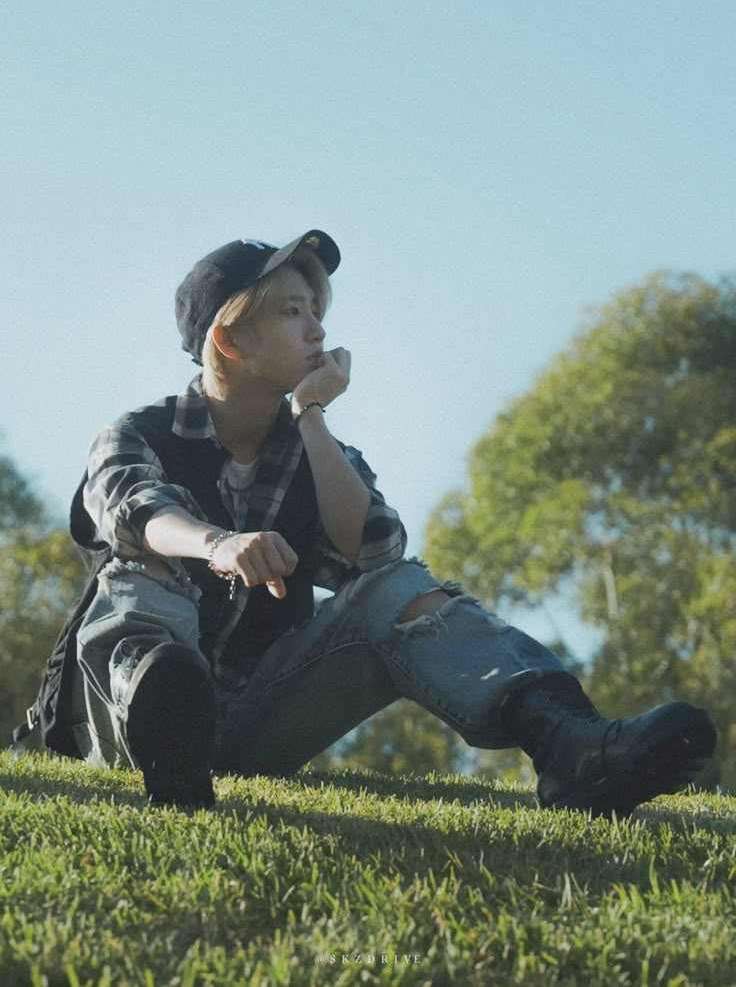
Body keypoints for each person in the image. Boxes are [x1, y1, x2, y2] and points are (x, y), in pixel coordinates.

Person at [68, 229, 716, 812]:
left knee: (395, 587)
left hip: (247, 726)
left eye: (317, 312)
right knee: (143, 569)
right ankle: (163, 725)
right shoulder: (135, 435)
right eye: (292, 312)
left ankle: (568, 742)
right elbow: (135, 511)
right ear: (230, 338)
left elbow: (376, 556)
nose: (316, 330)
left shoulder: (316, 454)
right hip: (115, 725)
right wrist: (218, 544)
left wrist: (312, 418)